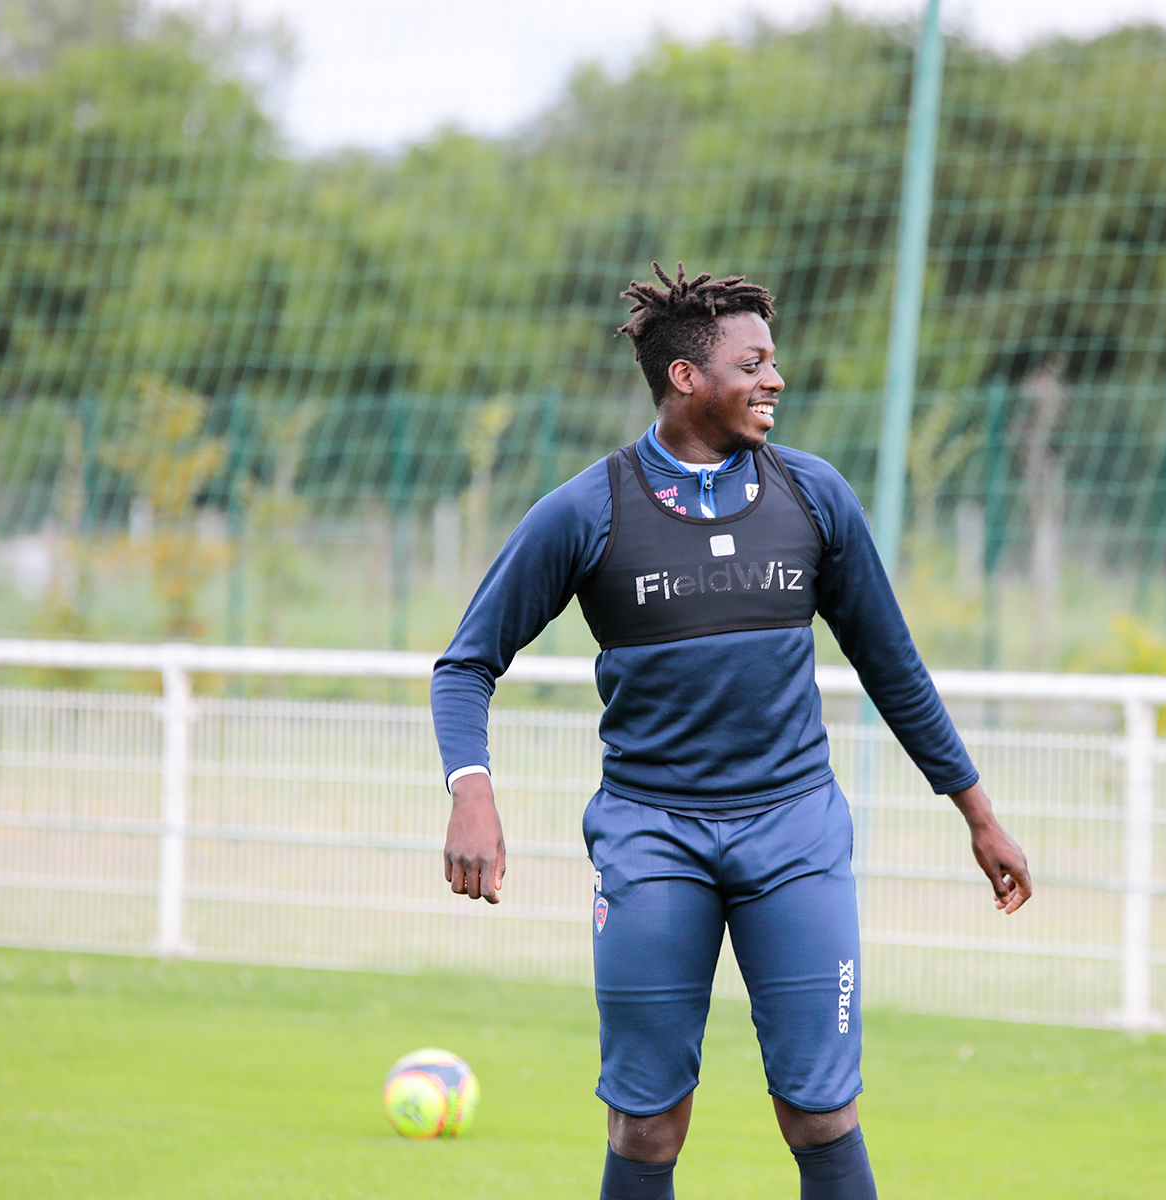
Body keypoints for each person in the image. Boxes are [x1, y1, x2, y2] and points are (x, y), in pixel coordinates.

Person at [431, 263, 1032, 1200]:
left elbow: (893, 667)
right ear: (686, 378)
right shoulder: (588, 511)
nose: (775, 380)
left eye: (773, 361)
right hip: (651, 834)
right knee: (647, 1121)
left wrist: (978, 813)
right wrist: (470, 789)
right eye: (753, 363)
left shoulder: (815, 497)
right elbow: (466, 663)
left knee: (821, 1110)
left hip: (794, 829)